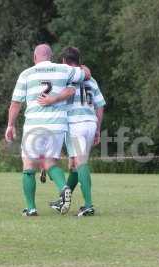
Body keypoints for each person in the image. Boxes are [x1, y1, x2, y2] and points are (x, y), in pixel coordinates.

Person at [5, 44, 91, 216]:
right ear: (51, 56)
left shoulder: (26, 74)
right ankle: (64, 187)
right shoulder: (63, 69)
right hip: (57, 125)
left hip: (34, 125)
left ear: (34, 58)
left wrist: (10, 125)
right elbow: (86, 74)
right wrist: (82, 67)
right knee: (50, 162)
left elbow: (16, 103)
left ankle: (31, 208)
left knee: (29, 165)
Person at [39, 47, 105, 217]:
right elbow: (100, 105)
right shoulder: (92, 80)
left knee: (80, 162)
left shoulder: (66, 78)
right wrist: (97, 128)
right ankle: (63, 200)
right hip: (90, 123)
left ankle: (88, 205)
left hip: (76, 125)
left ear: (63, 61)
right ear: (79, 60)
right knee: (74, 165)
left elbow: (60, 97)